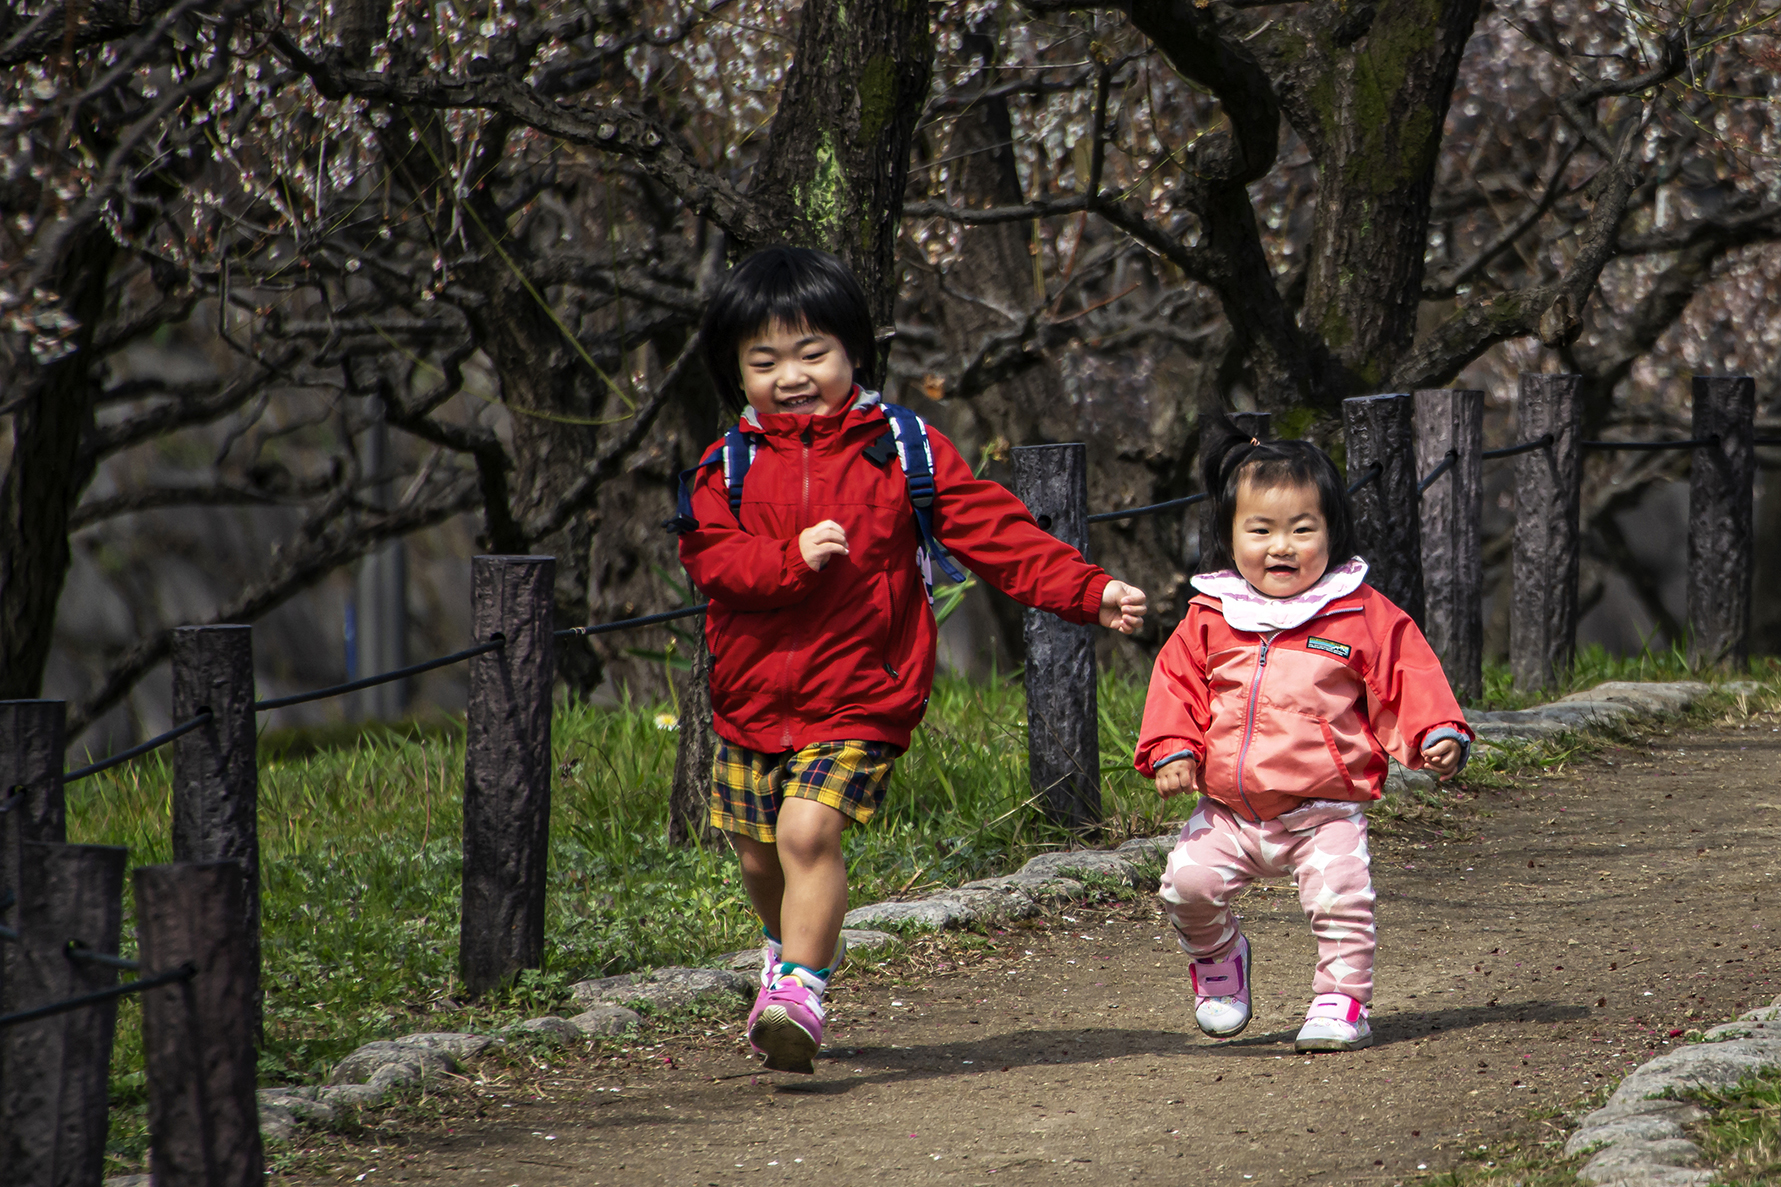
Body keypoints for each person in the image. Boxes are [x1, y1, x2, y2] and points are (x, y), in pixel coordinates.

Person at [677, 246, 1149, 1074]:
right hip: (750, 699)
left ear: (853, 351)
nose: (791, 375)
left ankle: (800, 990)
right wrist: (790, 557)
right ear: (736, 373)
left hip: (863, 691)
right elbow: (712, 563)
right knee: (756, 850)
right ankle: (780, 949)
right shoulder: (727, 468)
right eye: (764, 361)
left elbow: (996, 535)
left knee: (806, 831)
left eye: (811, 352)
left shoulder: (904, 449)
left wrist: (1088, 589)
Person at [1133, 421, 1470, 1052]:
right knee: (1187, 886)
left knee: (1342, 903)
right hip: (1228, 811)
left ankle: (1340, 1002)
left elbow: (1407, 676)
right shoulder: (1212, 615)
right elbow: (1176, 685)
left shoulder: (1359, 611)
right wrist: (1173, 748)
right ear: (1230, 536)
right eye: (1259, 530)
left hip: (1324, 809)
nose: (1280, 547)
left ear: (1332, 533)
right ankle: (1219, 962)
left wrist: (1437, 732)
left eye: (1301, 529)